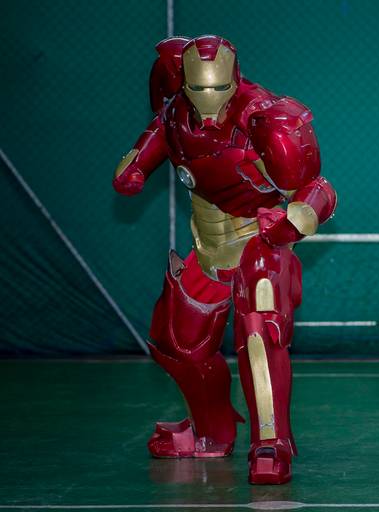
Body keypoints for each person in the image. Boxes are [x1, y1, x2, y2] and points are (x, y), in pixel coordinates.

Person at [112, 35, 337, 485]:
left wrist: (295, 221)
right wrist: (134, 169)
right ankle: (211, 433)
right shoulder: (176, 115)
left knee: (259, 331)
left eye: (218, 88)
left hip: (259, 241)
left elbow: (318, 189)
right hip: (209, 246)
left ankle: (271, 443)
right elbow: (145, 151)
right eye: (199, 88)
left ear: (234, 80)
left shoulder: (266, 117)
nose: (208, 99)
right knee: (178, 342)